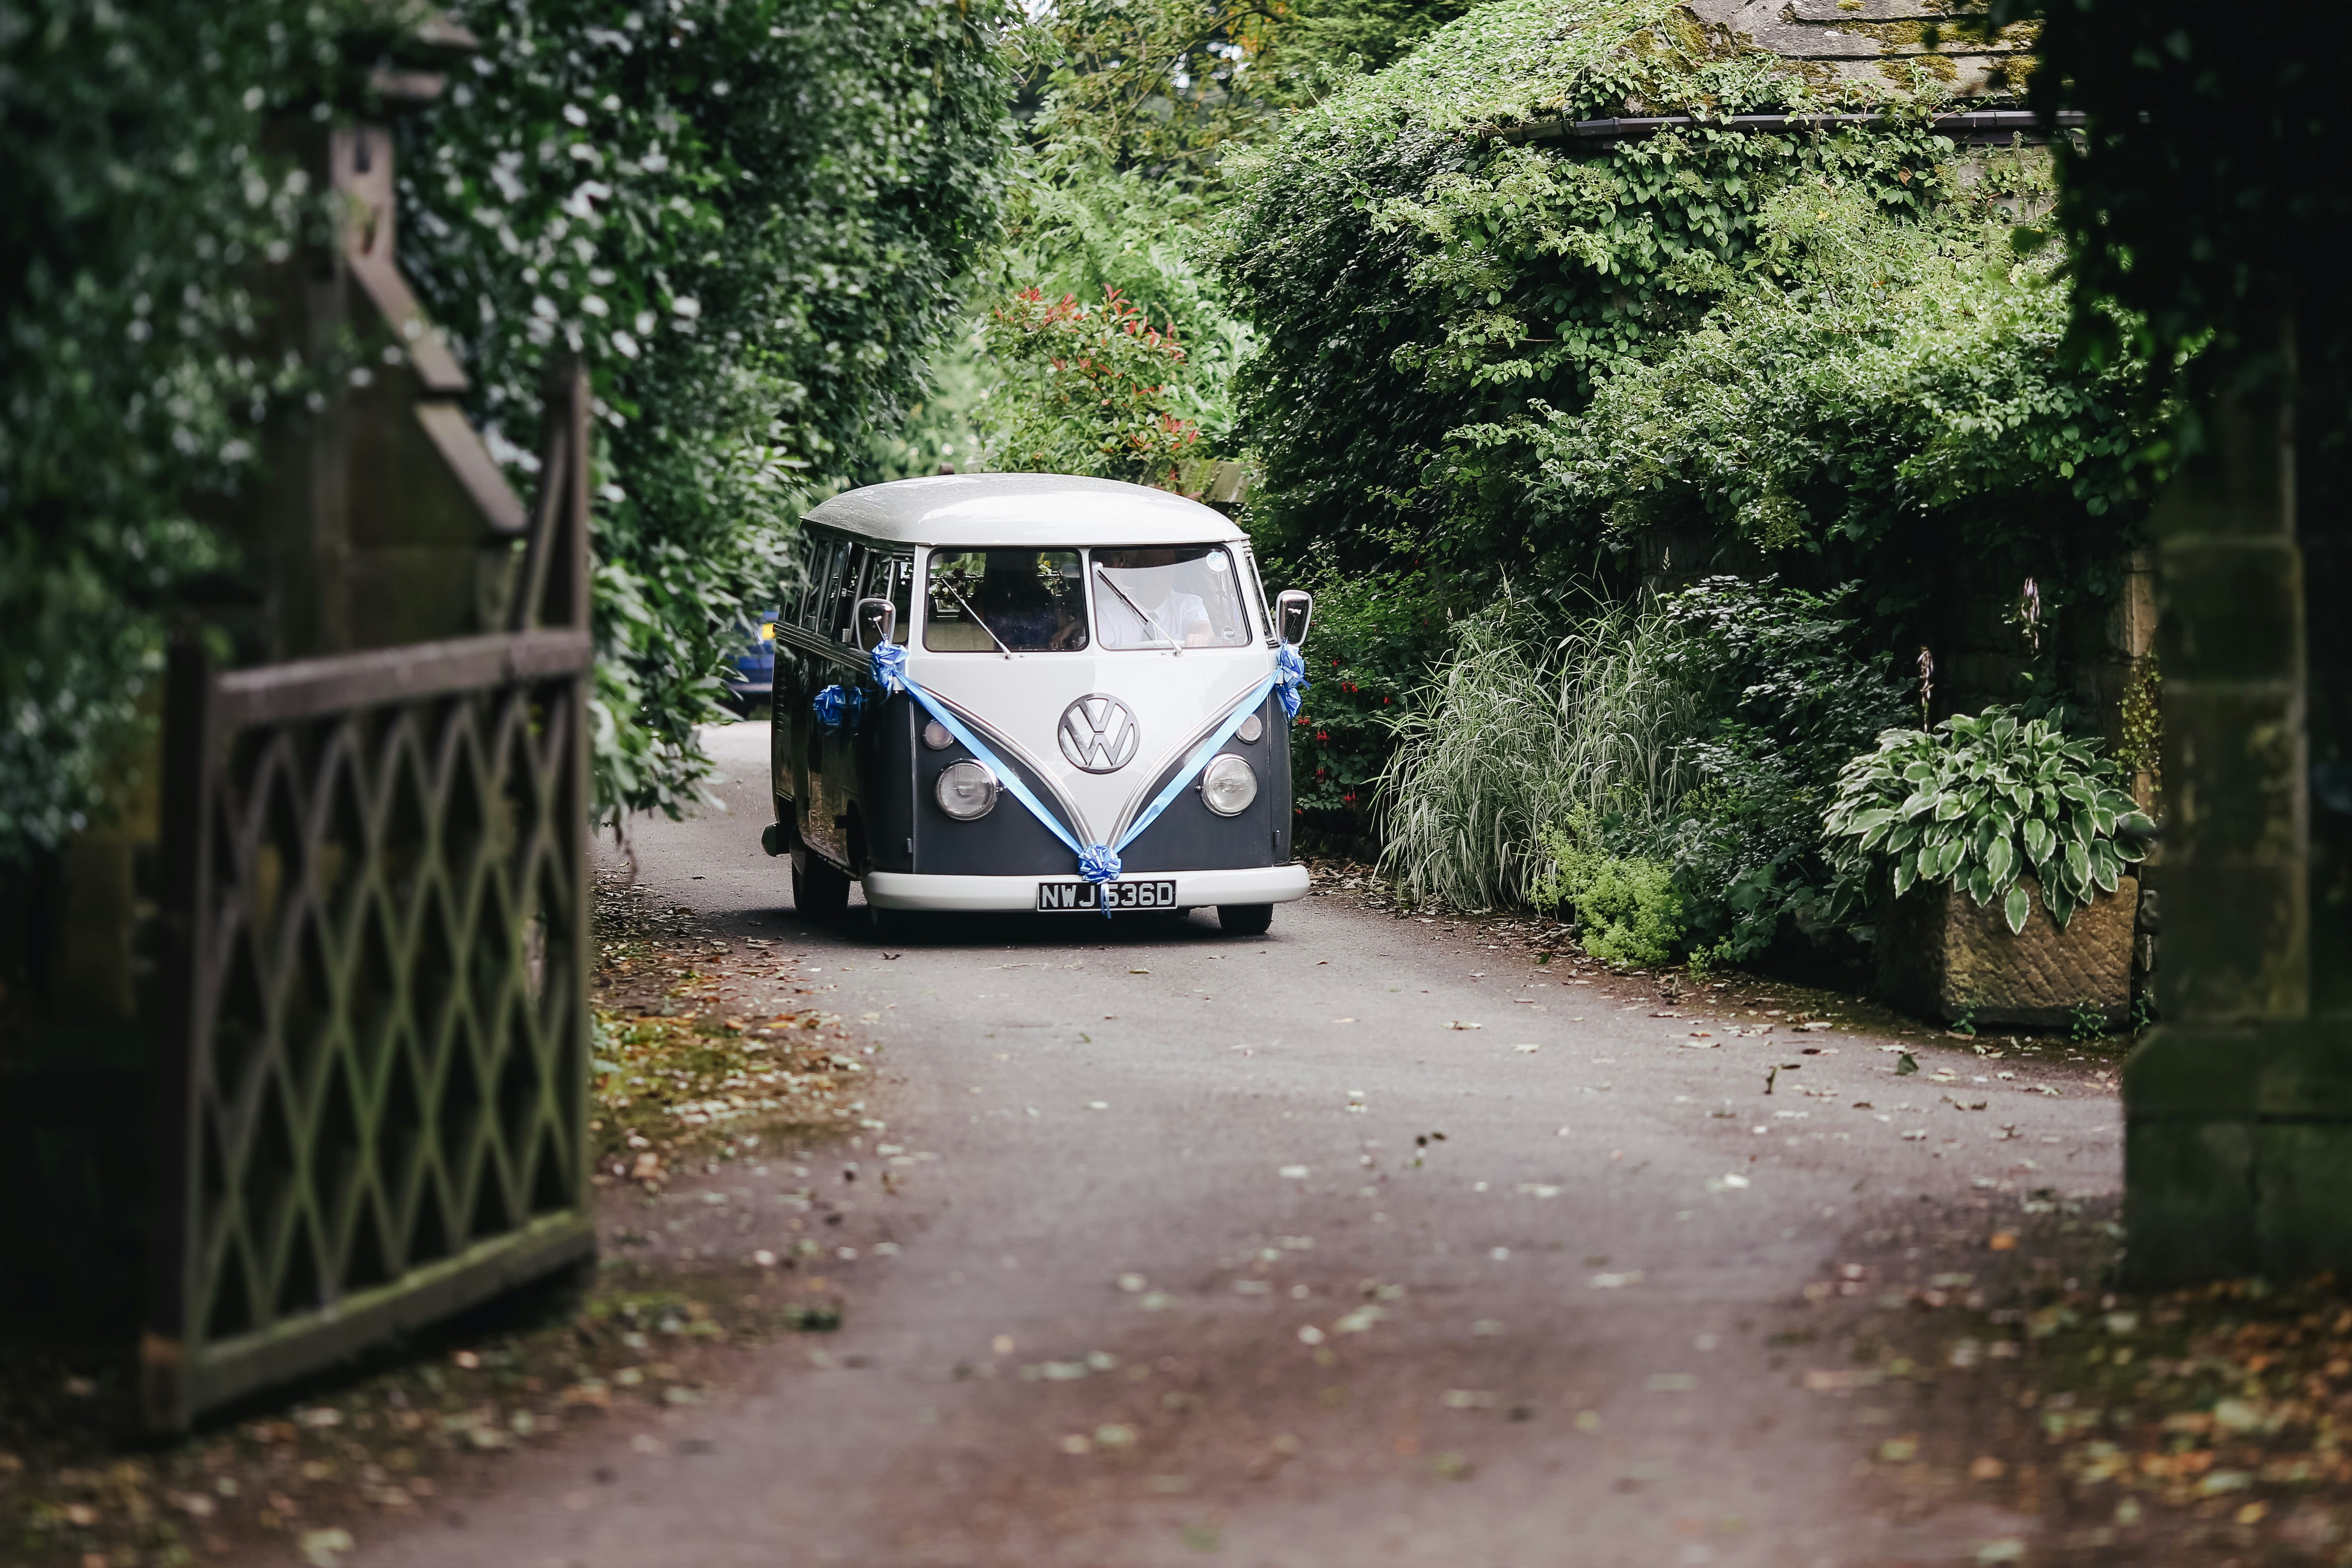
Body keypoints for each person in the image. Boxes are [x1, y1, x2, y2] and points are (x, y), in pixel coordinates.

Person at [1094, 547, 1216, 648]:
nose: (1158, 578)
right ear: (1137, 573)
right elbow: (1100, 651)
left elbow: (1202, 626)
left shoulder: (1187, 603)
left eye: (1165, 571)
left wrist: (1200, 637)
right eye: (1151, 570)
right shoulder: (1108, 611)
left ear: (1174, 575)